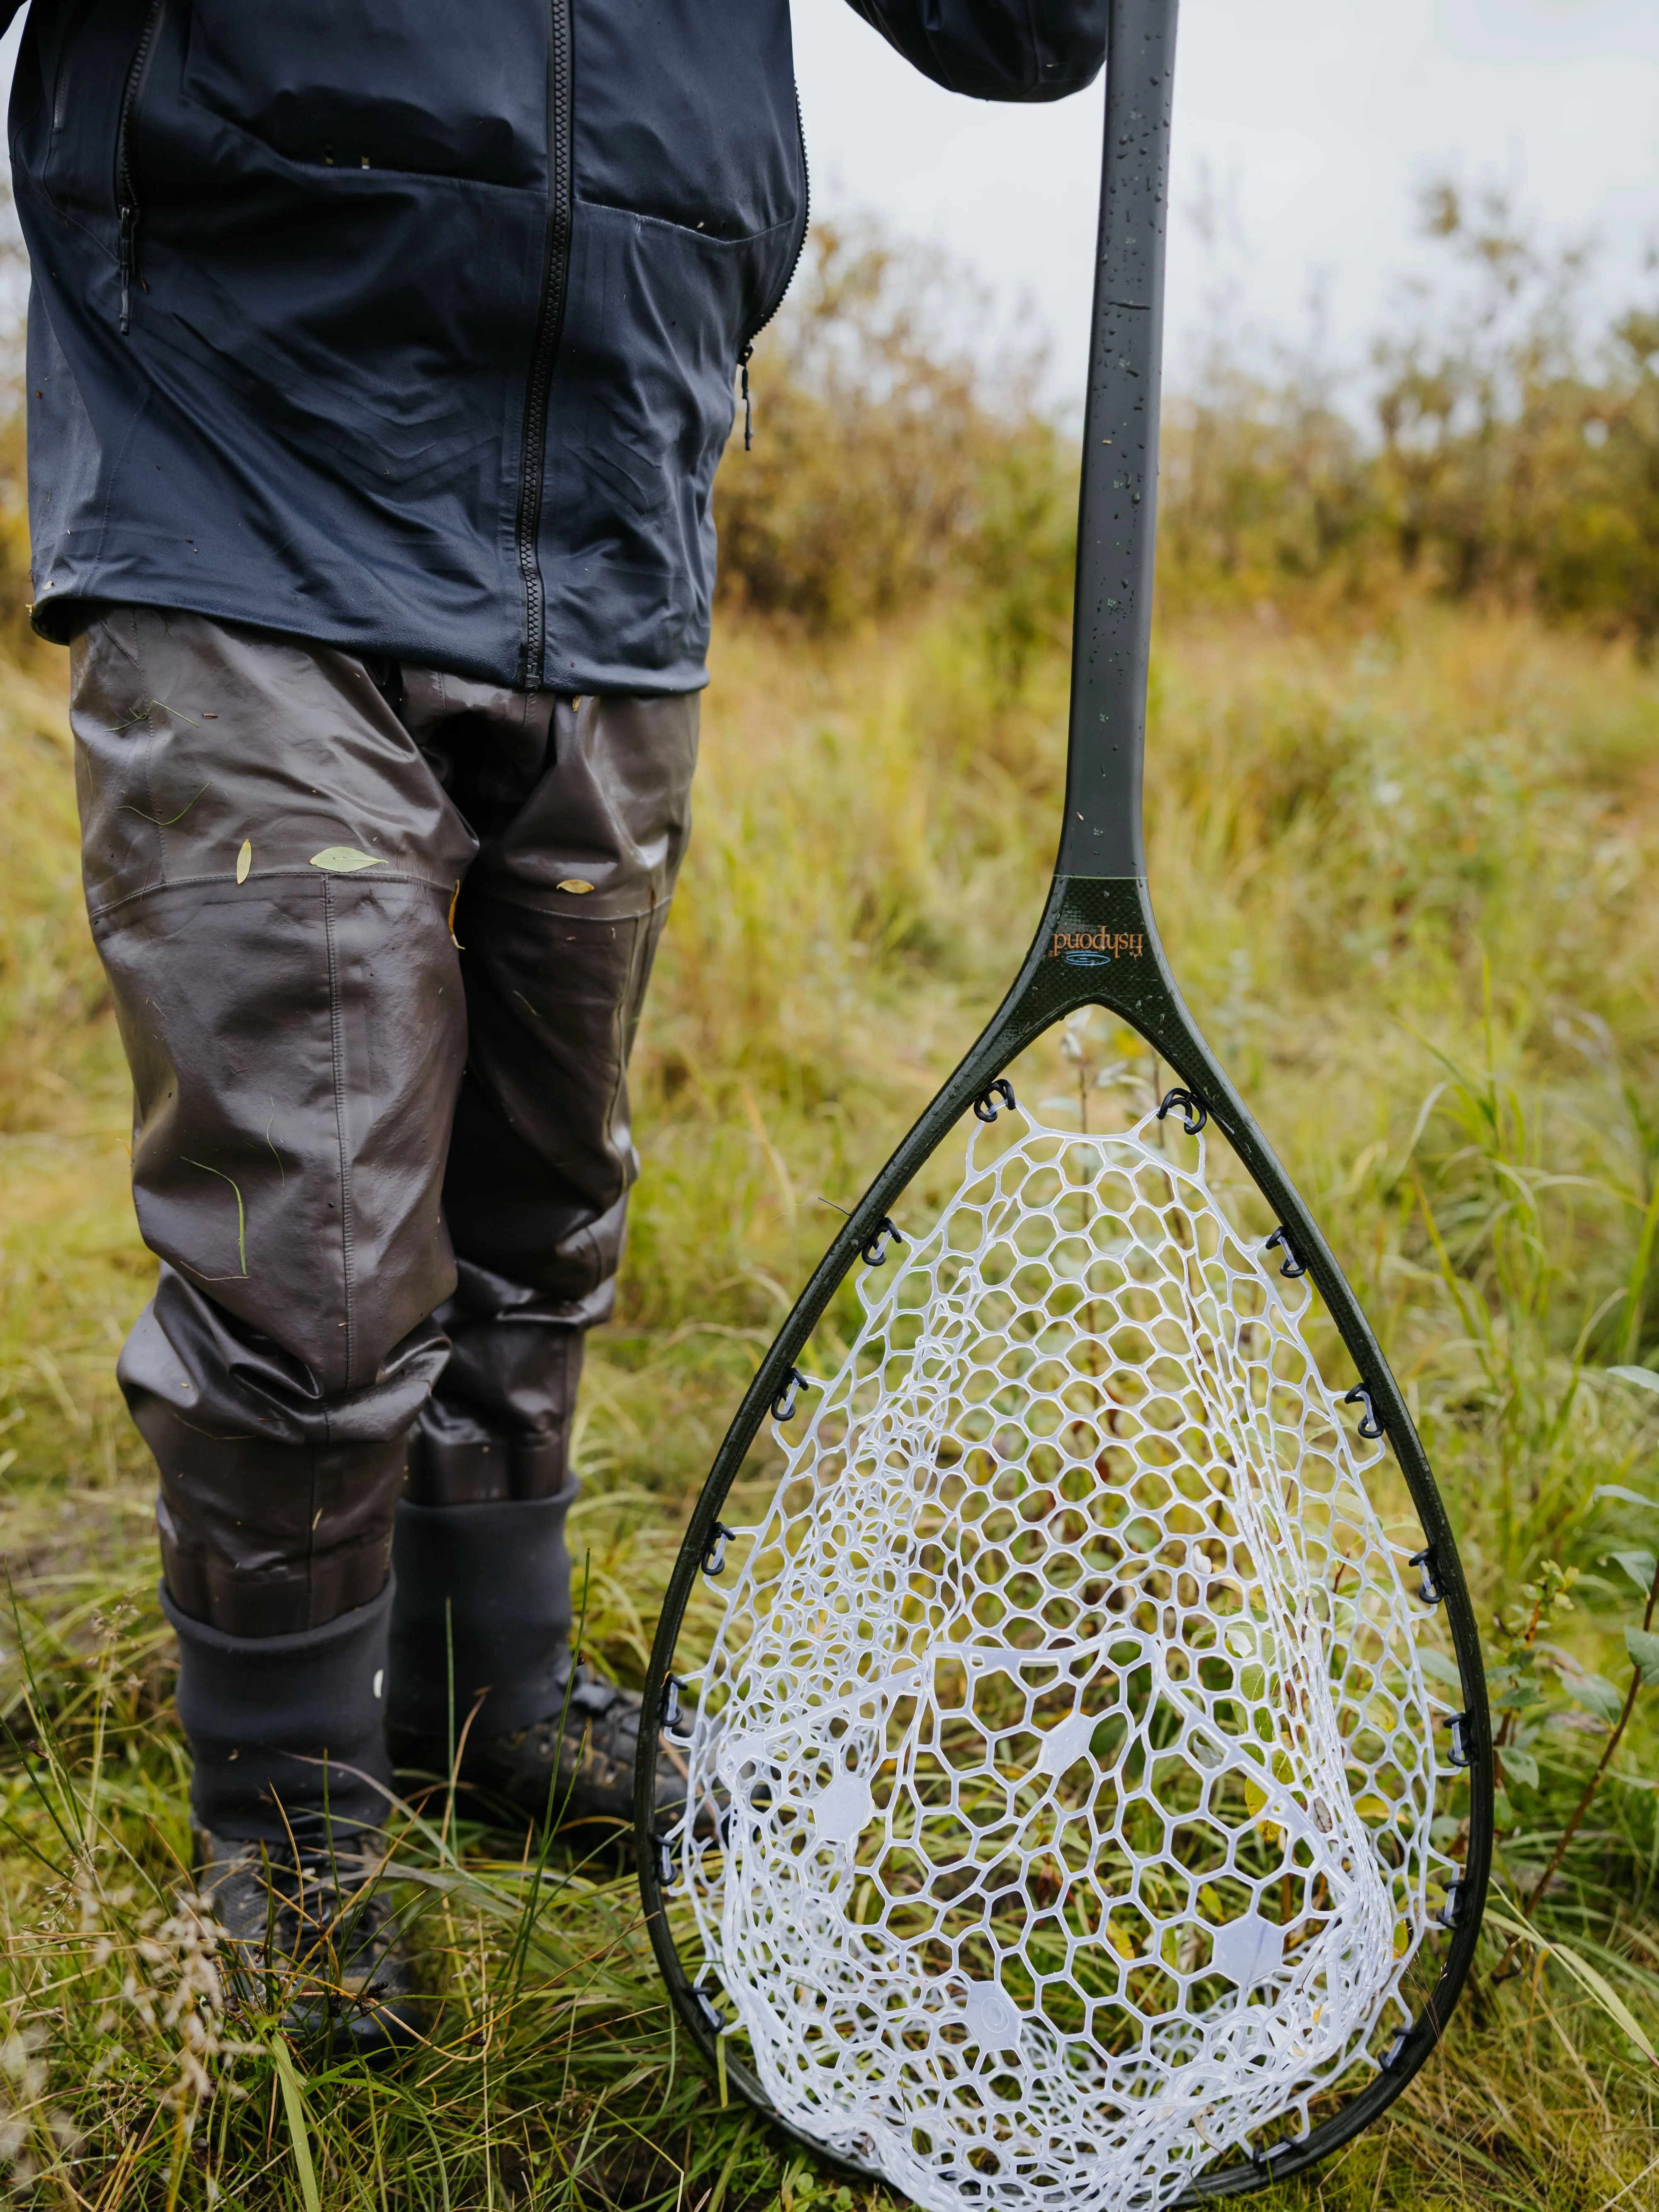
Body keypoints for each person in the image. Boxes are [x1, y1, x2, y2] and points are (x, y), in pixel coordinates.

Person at [8, 0, 1108, 2048]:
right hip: (251, 470)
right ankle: (290, 1845)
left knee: (544, 1194)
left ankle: (485, 1706)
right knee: (317, 1258)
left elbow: (1026, 35)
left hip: (615, 500)